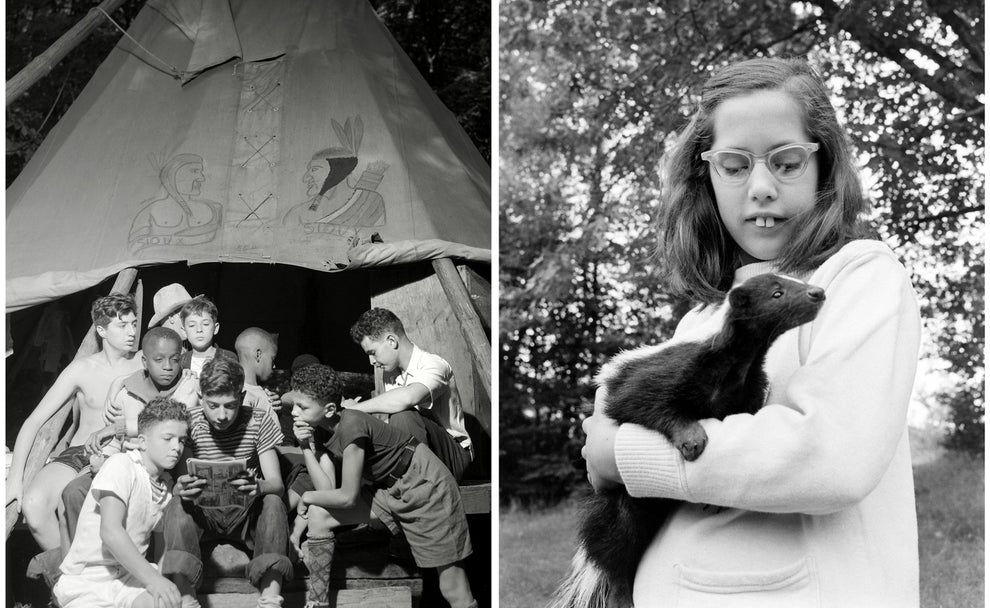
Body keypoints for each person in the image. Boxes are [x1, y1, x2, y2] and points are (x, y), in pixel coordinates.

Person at [580, 57, 921, 607]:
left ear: (824, 165)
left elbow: (833, 458)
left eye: (786, 162)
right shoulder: (702, 317)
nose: (761, 187)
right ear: (705, 175)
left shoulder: (859, 277)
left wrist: (622, 454)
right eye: (734, 166)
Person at [286, 364, 477, 608]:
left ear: (330, 409)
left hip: (425, 487)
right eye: (295, 406)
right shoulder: (321, 429)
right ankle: (318, 602)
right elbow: (326, 489)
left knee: (452, 586)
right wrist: (305, 446)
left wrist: (308, 496)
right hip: (389, 491)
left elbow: (348, 498)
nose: (294, 413)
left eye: (302, 407)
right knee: (320, 514)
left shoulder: (351, 425)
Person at [7, 293, 144, 550]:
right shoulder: (82, 369)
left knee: (86, 508)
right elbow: (33, 421)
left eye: (134, 323)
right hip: (78, 453)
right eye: (122, 325)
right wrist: (15, 479)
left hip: (121, 455)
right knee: (34, 506)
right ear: (101, 330)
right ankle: (67, 576)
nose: (131, 332)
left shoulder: (144, 364)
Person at [161, 358, 291, 608]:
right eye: (213, 405)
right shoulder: (190, 422)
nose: (222, 415)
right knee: (177, 506)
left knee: (273, 502)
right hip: (205, 513)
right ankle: (187, 600)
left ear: (242, 397)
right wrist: (181, 487)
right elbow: (181, 479)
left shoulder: (258, 420)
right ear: (200, 397)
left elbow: (277, 484)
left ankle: (271, 598)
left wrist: (260, 486)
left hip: (245, 513)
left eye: (230, 405)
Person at [60, 327, 200, 546]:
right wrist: (104, 460)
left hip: (167, 470)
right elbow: (117, 444)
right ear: (144, 361)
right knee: (74, 491)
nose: (168, 367)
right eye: (159, 359)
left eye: (174, 359)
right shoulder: (128, 391)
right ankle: (82, 562)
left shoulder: (188, 385)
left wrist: (116, 427)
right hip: (127, 467)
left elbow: (167, 424)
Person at [52, 396, 190, 608]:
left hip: (129, 578)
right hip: (89, 580)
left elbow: (161, 549)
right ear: (142, 441)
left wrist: (160, 581)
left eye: (181, 440)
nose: (176, 447)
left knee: (164, 601)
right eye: (168, 438)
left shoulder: (165, 488)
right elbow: (110, 531)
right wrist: (153, 579)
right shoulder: (122, 465)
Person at [346, 308, 473, 482]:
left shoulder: (434, 364)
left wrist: (355, 409)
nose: (372, 362)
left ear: (392, 341)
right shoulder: (390, 373)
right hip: (419, 452)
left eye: (372, 353)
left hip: (454, 456)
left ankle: (417, 486)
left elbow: (408, 398)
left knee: (403, 414)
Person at [179, 295, 237, 376]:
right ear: (184, 331)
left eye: (205, 324)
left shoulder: (229, 358)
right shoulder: (180, 362)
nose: (199, 330)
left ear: (215, 328)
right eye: (192, 325)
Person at [234, 327, 280, 411]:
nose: (274, 366)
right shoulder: (242, 395)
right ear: (258, 354)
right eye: (272, 359)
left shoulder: (232, 389)